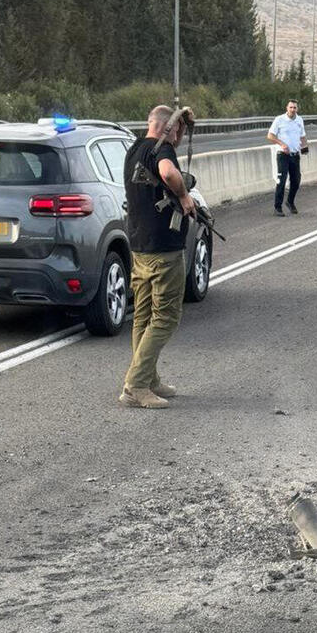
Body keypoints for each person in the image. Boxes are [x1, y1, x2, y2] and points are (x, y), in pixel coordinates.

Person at [119, 104, 197, 410]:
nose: (179, 136)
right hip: (163, 249)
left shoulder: (135, 149)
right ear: (169, 128)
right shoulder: (163, 150)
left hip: (138, 245)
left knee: (143, 315)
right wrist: (183, 195)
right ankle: (136, 384)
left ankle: (148, 378)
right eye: (178, 130)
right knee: (165, 317)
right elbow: (167, 172)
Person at [267, 99, 307, 216]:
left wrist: (305, 148)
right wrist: (282, 144)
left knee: (296, 181)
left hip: (295, 155)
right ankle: (277, 207)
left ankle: (290, 201)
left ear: (297, 109)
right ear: (287, 108)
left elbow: (303, 136)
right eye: (291, 107)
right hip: (283, 155)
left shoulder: (299, 120)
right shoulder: (279, 120)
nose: (293, 110)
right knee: (282, 180)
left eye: (295, 108)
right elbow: (270, 135)